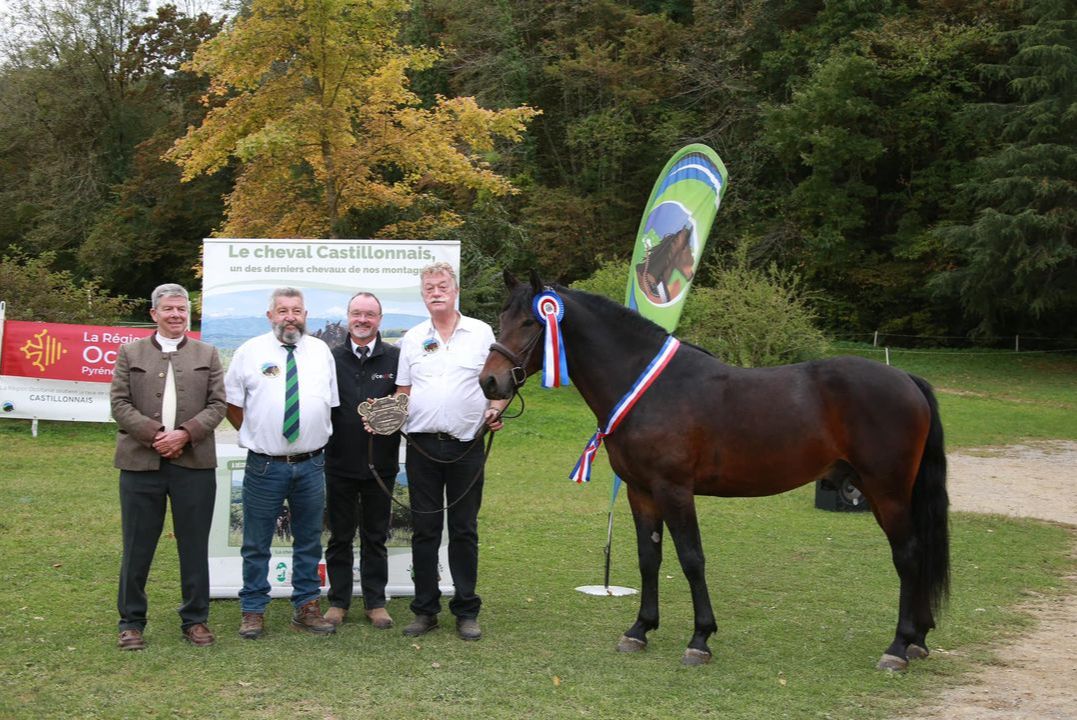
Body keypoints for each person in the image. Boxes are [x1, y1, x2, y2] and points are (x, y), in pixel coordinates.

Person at [394, 262, 508, 641]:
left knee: (464, 529)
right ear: (423, 294)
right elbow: (403, 392)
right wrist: (384, 417)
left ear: (455, 290)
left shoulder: (481, 332)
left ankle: (466, 610)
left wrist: (495, 411)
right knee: (425, 530)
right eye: (429, 287)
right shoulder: (412, 338)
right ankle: (425, 610)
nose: (436, 292)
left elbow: (499, 385)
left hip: (467, 445)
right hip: (422, 447)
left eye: (442, 285)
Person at [111, 283, 226, 650]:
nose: (177, 314)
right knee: (137, 545)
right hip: (140, 464)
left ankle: (195, 619)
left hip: (194, 464)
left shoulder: (207, 353)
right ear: (154, 314)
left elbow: (218, 405)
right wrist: (157, 433)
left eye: (182, 309)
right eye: (169, 309)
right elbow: (120, 403)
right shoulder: (130, 353)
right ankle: (131, 621)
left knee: (193, 545)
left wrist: (185, 435)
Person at [224, 287, 339, 638]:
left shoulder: (321, 352)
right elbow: (231, 403)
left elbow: (329, 403)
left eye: (297, 310)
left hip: (311, 464)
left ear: (305, 315)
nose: (291, 316)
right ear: (271, 315)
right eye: (283, 310)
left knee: (308, 540)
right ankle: (253, 610)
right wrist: (257, 434)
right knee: (256, 542)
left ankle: (306, 606)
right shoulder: (250, 352)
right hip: (265, 465)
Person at [323, 291, 402, 629]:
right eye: (357, 313)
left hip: (380, 465)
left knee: (375, 537)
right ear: (348, 316)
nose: (363, 320)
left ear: (379, 320)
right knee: (340, 537)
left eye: (370, 314)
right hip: (337, 462)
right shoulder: (330, 357)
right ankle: (338, 602)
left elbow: (408, 402)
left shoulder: (396, 359)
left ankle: (375, 602)